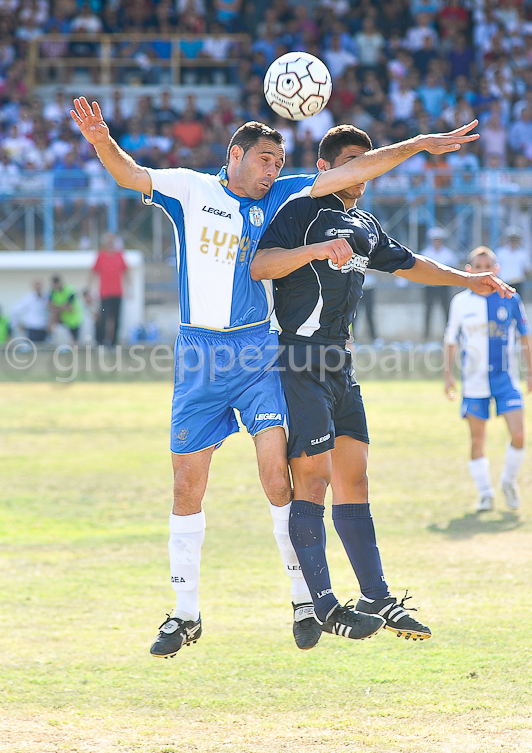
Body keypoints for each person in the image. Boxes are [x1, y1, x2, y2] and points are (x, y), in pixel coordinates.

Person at [70, 95, 481, 657]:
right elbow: (127, 174)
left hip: (259, 351)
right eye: (264, 160)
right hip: (198, 356)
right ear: (236, 154)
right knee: (186, 485)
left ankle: (304, 600)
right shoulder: (192, 191)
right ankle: (185, 614)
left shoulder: (287, 197)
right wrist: (100, 141)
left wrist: (417, 146)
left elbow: (353, 169)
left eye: (278, 162)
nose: (271, 172)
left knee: (275, 472)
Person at [250, 125, 514, 647]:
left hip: (342, 367)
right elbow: (260, 264)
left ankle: (375, 595)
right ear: (326, 168)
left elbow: (411, 264)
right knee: (314, 482)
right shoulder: (302, 210)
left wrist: (466, 280)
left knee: (357, 479)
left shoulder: (364, 223)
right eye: (354, 162)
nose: (363, 174)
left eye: (367, 164)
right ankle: (322, 604)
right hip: (300, 360)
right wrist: (318, 251)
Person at [444, 246, 532, 512]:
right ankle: (485, 493)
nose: (484, 271)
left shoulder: (510, 298)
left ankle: (508, 481)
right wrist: (448, 375)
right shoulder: (460, 302)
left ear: (497, 270)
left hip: (506, 380)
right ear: (469, 271)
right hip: (474, 382)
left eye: (488, 266)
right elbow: (451, 340)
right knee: (477, 440)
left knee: (518, 434)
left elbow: (524, 336)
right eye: (478, 267)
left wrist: (530, 371)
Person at [88, 232, 130, 346]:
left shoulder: (119, 255)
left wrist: (129, 289)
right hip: (105, 292)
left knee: (116, 317)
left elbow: (126, 272)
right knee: (105, 317)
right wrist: (89, 289)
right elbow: (93, 272)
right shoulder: (101, 256)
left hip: (117, 292)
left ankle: (113, 341)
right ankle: (102, 340)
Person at [420, 227, 459, 338]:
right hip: (430, 285)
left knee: (446, 310)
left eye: (439, 240)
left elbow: (454, 267)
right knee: (428, 310)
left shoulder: (448, 254)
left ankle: (449, 333)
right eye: (435, 240)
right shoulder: (426, 253)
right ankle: (426, 335)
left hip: (443, 286)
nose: (437, 243)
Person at [495, 227, 532, 296]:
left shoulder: (523, 253)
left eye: (515, 239)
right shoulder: (501, 252)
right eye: (511, 239)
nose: (513, 242)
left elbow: (527, 269)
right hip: (504, 282)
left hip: (518, 283)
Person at [48, 276, 83, 342]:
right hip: (63, 318)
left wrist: (57, 307)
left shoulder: (69, 290)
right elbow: (49, 306)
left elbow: (70, 308)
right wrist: (61, 307)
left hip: (73, 319)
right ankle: (50, 337)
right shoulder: (53, 292)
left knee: (75, 340)